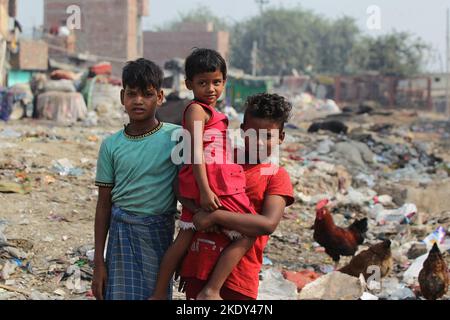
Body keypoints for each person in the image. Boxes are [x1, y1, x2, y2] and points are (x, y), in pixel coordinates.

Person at [151, 48, 258, 300]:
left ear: (224, 82)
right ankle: (211, 290)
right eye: (202, 83)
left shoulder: (212, 112)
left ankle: (158, 295)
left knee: (184, 239)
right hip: (212, 184)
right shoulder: (196, 110)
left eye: (216, 82)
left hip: (210, 181)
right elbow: (196, 152)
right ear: (189, 84)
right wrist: (206, 190)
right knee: (248, 233)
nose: (211, 89)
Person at [180, 93, 295, 300]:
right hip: (199, 264)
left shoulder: (276, 176)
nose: (259, 142)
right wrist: (199, 213)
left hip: (239, 279)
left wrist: (215, 217)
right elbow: (184, 185)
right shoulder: (221, 159)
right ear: (242, 132)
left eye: (267, 136)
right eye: (253, 134)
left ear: (281, 137)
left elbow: (267, 224)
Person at [91, 58, 181, 300]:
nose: (138, 100)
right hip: (121, 238)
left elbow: (189, 187)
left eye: (147, 94)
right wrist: (99, 262)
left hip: (158, 236)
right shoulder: (111, 145)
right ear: (122, 97)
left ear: (160, 97)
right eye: (132, 94)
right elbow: (103, 205)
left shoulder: (176, 137)